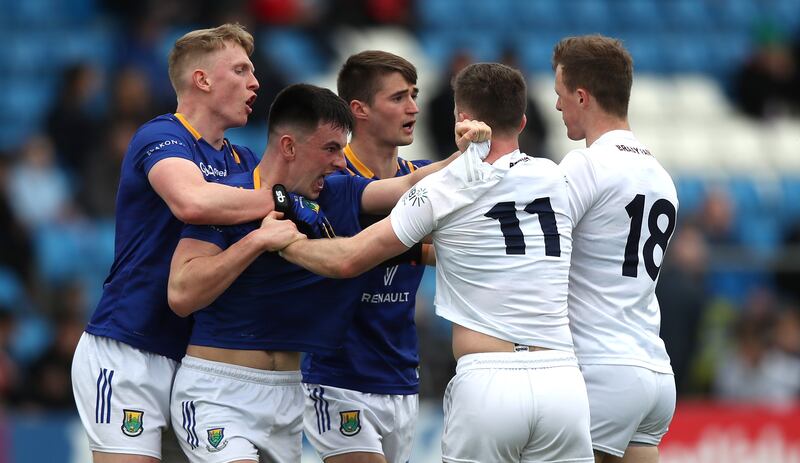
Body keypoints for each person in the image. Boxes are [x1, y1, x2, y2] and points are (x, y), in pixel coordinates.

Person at [273, 63, 594, 463]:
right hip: (562, 378)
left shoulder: (444, 187)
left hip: (488, 380)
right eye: (399, 97)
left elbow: (349, 259)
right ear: (524, 120)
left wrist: (284, 243)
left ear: (461, 119)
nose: (412, 107)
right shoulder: (557, 177)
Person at [164, 83, 490, 463]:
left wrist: (468, 154)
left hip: (286, 394)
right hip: (217, 391)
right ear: (289, 147)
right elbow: (181, 294)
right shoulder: (230, 199)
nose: (340, 161)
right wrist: (255, 242)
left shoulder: (337, 193)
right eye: (331, 149)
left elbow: (410, 184)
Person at [71, 23, 278, 463]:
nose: (255, 82)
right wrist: (279, 201)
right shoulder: (161, 135)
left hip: (201, 363)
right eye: (240, 70)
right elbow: (191, 201)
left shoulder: (242, 158)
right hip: (130, 348)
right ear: (202, 80)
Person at [552, 35, 679, 463]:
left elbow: (534, 245)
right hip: (655, 372)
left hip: (600, 366)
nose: (557, 106)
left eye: (561, 95)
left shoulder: (586, 164)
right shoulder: (661, 175)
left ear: (582, 97)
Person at [303, 50, 430, 463]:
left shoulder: (423, 172)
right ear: (359, 109)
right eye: (397, 98)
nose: (413, 107)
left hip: (401, 376)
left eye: (413, 95)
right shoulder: (331, 182)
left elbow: (449, 249)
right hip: (338, 377)